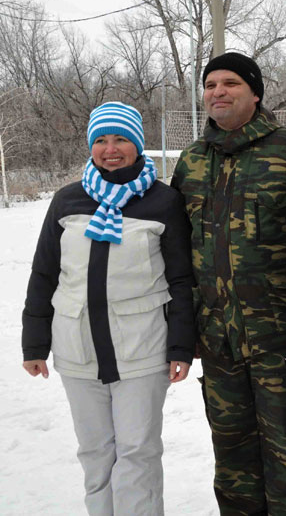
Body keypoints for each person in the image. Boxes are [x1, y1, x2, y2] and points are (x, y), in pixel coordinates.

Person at [170, 52, 286, 515]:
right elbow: (175, 252)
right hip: (217, 338)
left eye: (230, 83)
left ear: (255, 93)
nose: (218, 92)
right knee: (231, 456)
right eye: (210, 84)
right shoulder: (189, 162)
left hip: (280, 339)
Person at [22, 102, 195, 516]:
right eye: (100, 140)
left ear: (137, 144)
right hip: (76, 347)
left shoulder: (164, 201)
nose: (110, 149)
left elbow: (181, 280)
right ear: (90, 146)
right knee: (95, 452)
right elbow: (44, 272)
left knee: (137, 452)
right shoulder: (67, 200)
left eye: (120, 139)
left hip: (141, 349)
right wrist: (34, 343)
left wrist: (181, 348)